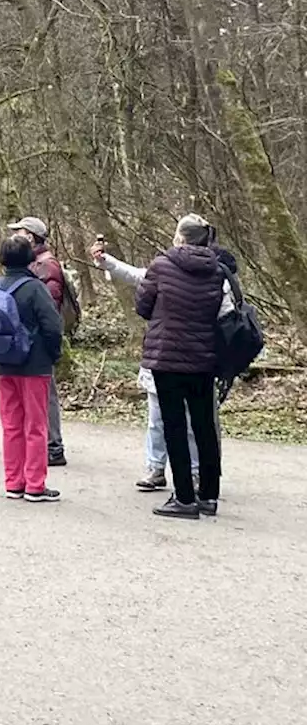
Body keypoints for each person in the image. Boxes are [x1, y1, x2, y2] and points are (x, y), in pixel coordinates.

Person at [135, 214, 227, 520]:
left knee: (174, 425)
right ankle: (209, 496)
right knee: (204, 426)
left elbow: (143, 307)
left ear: (179, 237)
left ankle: (184, 497)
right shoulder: (217, 270)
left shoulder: (161, 265)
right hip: (203, 357)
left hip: (167, 356)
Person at [91, 241, 201, 492]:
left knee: (191, 419)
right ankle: (155, 468)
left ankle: (194, 472)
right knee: (157, 418)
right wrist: (106, 261)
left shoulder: (207, 274)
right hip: (161, 355)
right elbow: (134, 275)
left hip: (193, 357)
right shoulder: (160, 270)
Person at [0, 235, 65, 502]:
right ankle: (35, 484)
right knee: (36, 425)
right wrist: (54, 355)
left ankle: (13, 482)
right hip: (35, 365)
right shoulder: (35, 288)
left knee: (11, 425)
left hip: (4, 364)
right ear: (30, 258)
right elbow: (53, 326)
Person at [8, 216, 69, 467]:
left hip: (39, 341)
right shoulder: (34, 263)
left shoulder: (46, 265)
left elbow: (48, 308)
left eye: (19, 232)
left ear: (31, 236)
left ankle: (54, 446)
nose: (15, 236)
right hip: (28, 339)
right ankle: (42, 444)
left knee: (47, 395)